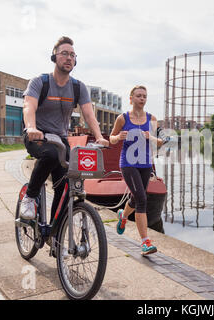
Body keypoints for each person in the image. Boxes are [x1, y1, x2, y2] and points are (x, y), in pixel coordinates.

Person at [20, 36, 109, 221]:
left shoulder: (78, 87)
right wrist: (31, 128)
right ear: (54, 57)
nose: (69, 58)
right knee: (51, 155)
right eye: (64, 54)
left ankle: (55, 234)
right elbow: (29, 106)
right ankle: (29, 196)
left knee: (65, 185)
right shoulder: (40, 82)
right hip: (38, 136)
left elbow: (89, 114)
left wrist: (99, 136)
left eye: (72, 55)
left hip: (60, 139)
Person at [109, 85, 164, 255]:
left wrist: (151, 136)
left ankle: (123, 216)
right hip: (128, 163)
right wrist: (118, 137)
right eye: (139, 96)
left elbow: (160, 142)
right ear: (131, 98)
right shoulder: (123, 118)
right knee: (142, 199)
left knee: (135, 198)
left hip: (146, 164)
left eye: (144, 96)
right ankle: (145, 242)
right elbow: (111, 139)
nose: (142, 99)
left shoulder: (151, 118)